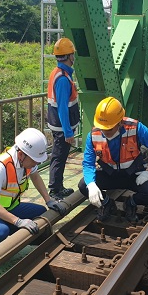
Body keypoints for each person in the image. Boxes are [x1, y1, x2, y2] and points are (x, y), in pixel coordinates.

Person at [0, 128, 67, 255]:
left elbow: (35, 177)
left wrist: (48, 200)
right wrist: (18, 221)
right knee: (0, 231)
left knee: (40, 212)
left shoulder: (27, 161)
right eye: (34, 160)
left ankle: (13, 230)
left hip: (5, 207)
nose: (36, 163)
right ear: (21, 154)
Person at [78, 97, 148, 223]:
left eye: (109, 128)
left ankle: (131, 203)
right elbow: (88, 163)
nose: (105, 132)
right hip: (109, 174)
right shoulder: (93, 135)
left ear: (120, 122)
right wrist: (91, 184)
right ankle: (107, 203)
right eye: (103, 128)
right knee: (83, 185)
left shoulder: (135, 128)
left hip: (132, 175)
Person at [47, 37, 81, 199]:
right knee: (59, 157)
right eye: (72, 54)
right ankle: (55, 190)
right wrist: (68, 132)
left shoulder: (60, 73)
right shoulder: (62, 79)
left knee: (59, 155)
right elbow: (62, 108)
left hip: (58, 125)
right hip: (62, 127)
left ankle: (58, 186)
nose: (74, 57)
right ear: (69, 56)